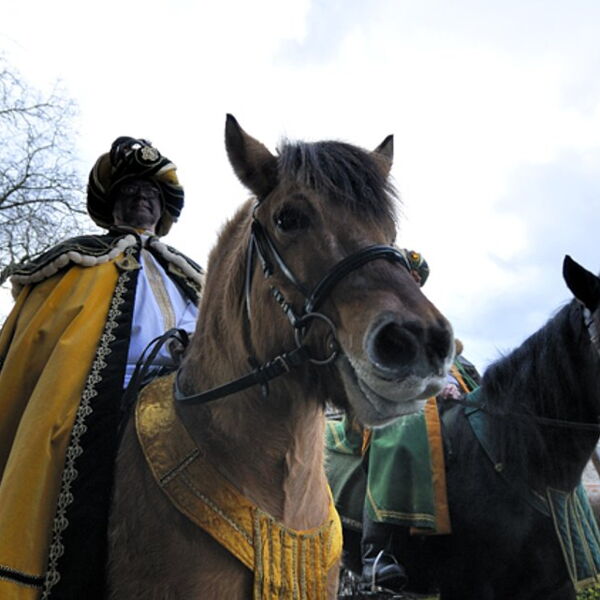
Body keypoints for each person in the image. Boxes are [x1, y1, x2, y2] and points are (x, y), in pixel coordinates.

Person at [0, 137, 204, 599]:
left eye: (150, 194)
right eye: (130, 192)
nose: (140, 200)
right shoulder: (75, 264)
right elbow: (40, 347)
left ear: (163, 211)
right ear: (112, 205)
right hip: (97, 401)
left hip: (185, 399)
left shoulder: (191, 276)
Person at [358, 249, 480, 590]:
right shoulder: (373, 318)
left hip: (451, 405)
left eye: (415, 280)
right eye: (405, 277)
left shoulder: (433, 323)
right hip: (391, 405)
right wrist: (428, 389)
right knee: (401, 431)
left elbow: (465, 371)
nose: (411, 285)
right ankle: (377, 552)